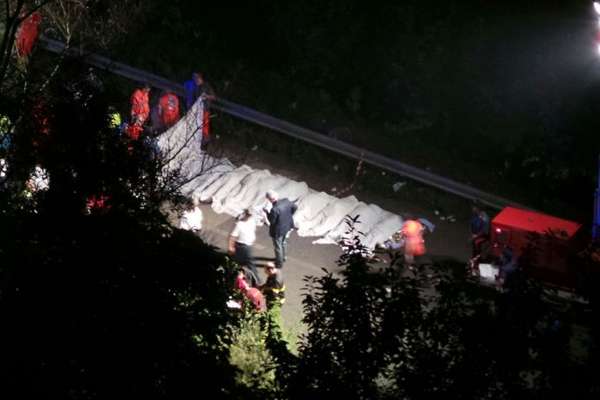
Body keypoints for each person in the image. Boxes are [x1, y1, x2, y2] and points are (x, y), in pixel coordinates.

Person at [265, 190, 297, 269]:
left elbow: (271, 221)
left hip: (278, 230)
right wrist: (289, 215)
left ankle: (279, 263)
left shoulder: (274, 209)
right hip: (287, 226)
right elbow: (295, 207)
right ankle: (284, 257)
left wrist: (267, 212)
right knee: (284, 242)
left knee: (278, 246)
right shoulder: (286, 201)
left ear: (270, 199)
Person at [183, 72, 215, 150]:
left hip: (205, 111)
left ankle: (204, 147)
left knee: (204, 128)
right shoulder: (195, 87)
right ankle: (196, 145)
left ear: (200, 78)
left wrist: (206, 96)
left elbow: (213, 97)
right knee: (195, 128)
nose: (195, 80)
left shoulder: (206, 86)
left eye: (197, 78)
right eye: (194, 78)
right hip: (197, 111)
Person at [229, 209, 260, 286]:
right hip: (246, 245)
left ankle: (234, 279)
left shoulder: (241, 223)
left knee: (238, 262)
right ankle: (256, 281)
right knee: (249, 263)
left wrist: (230, 247)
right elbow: (233, 236)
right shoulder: (250, 221)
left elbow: (232, 236)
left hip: (242, 247)